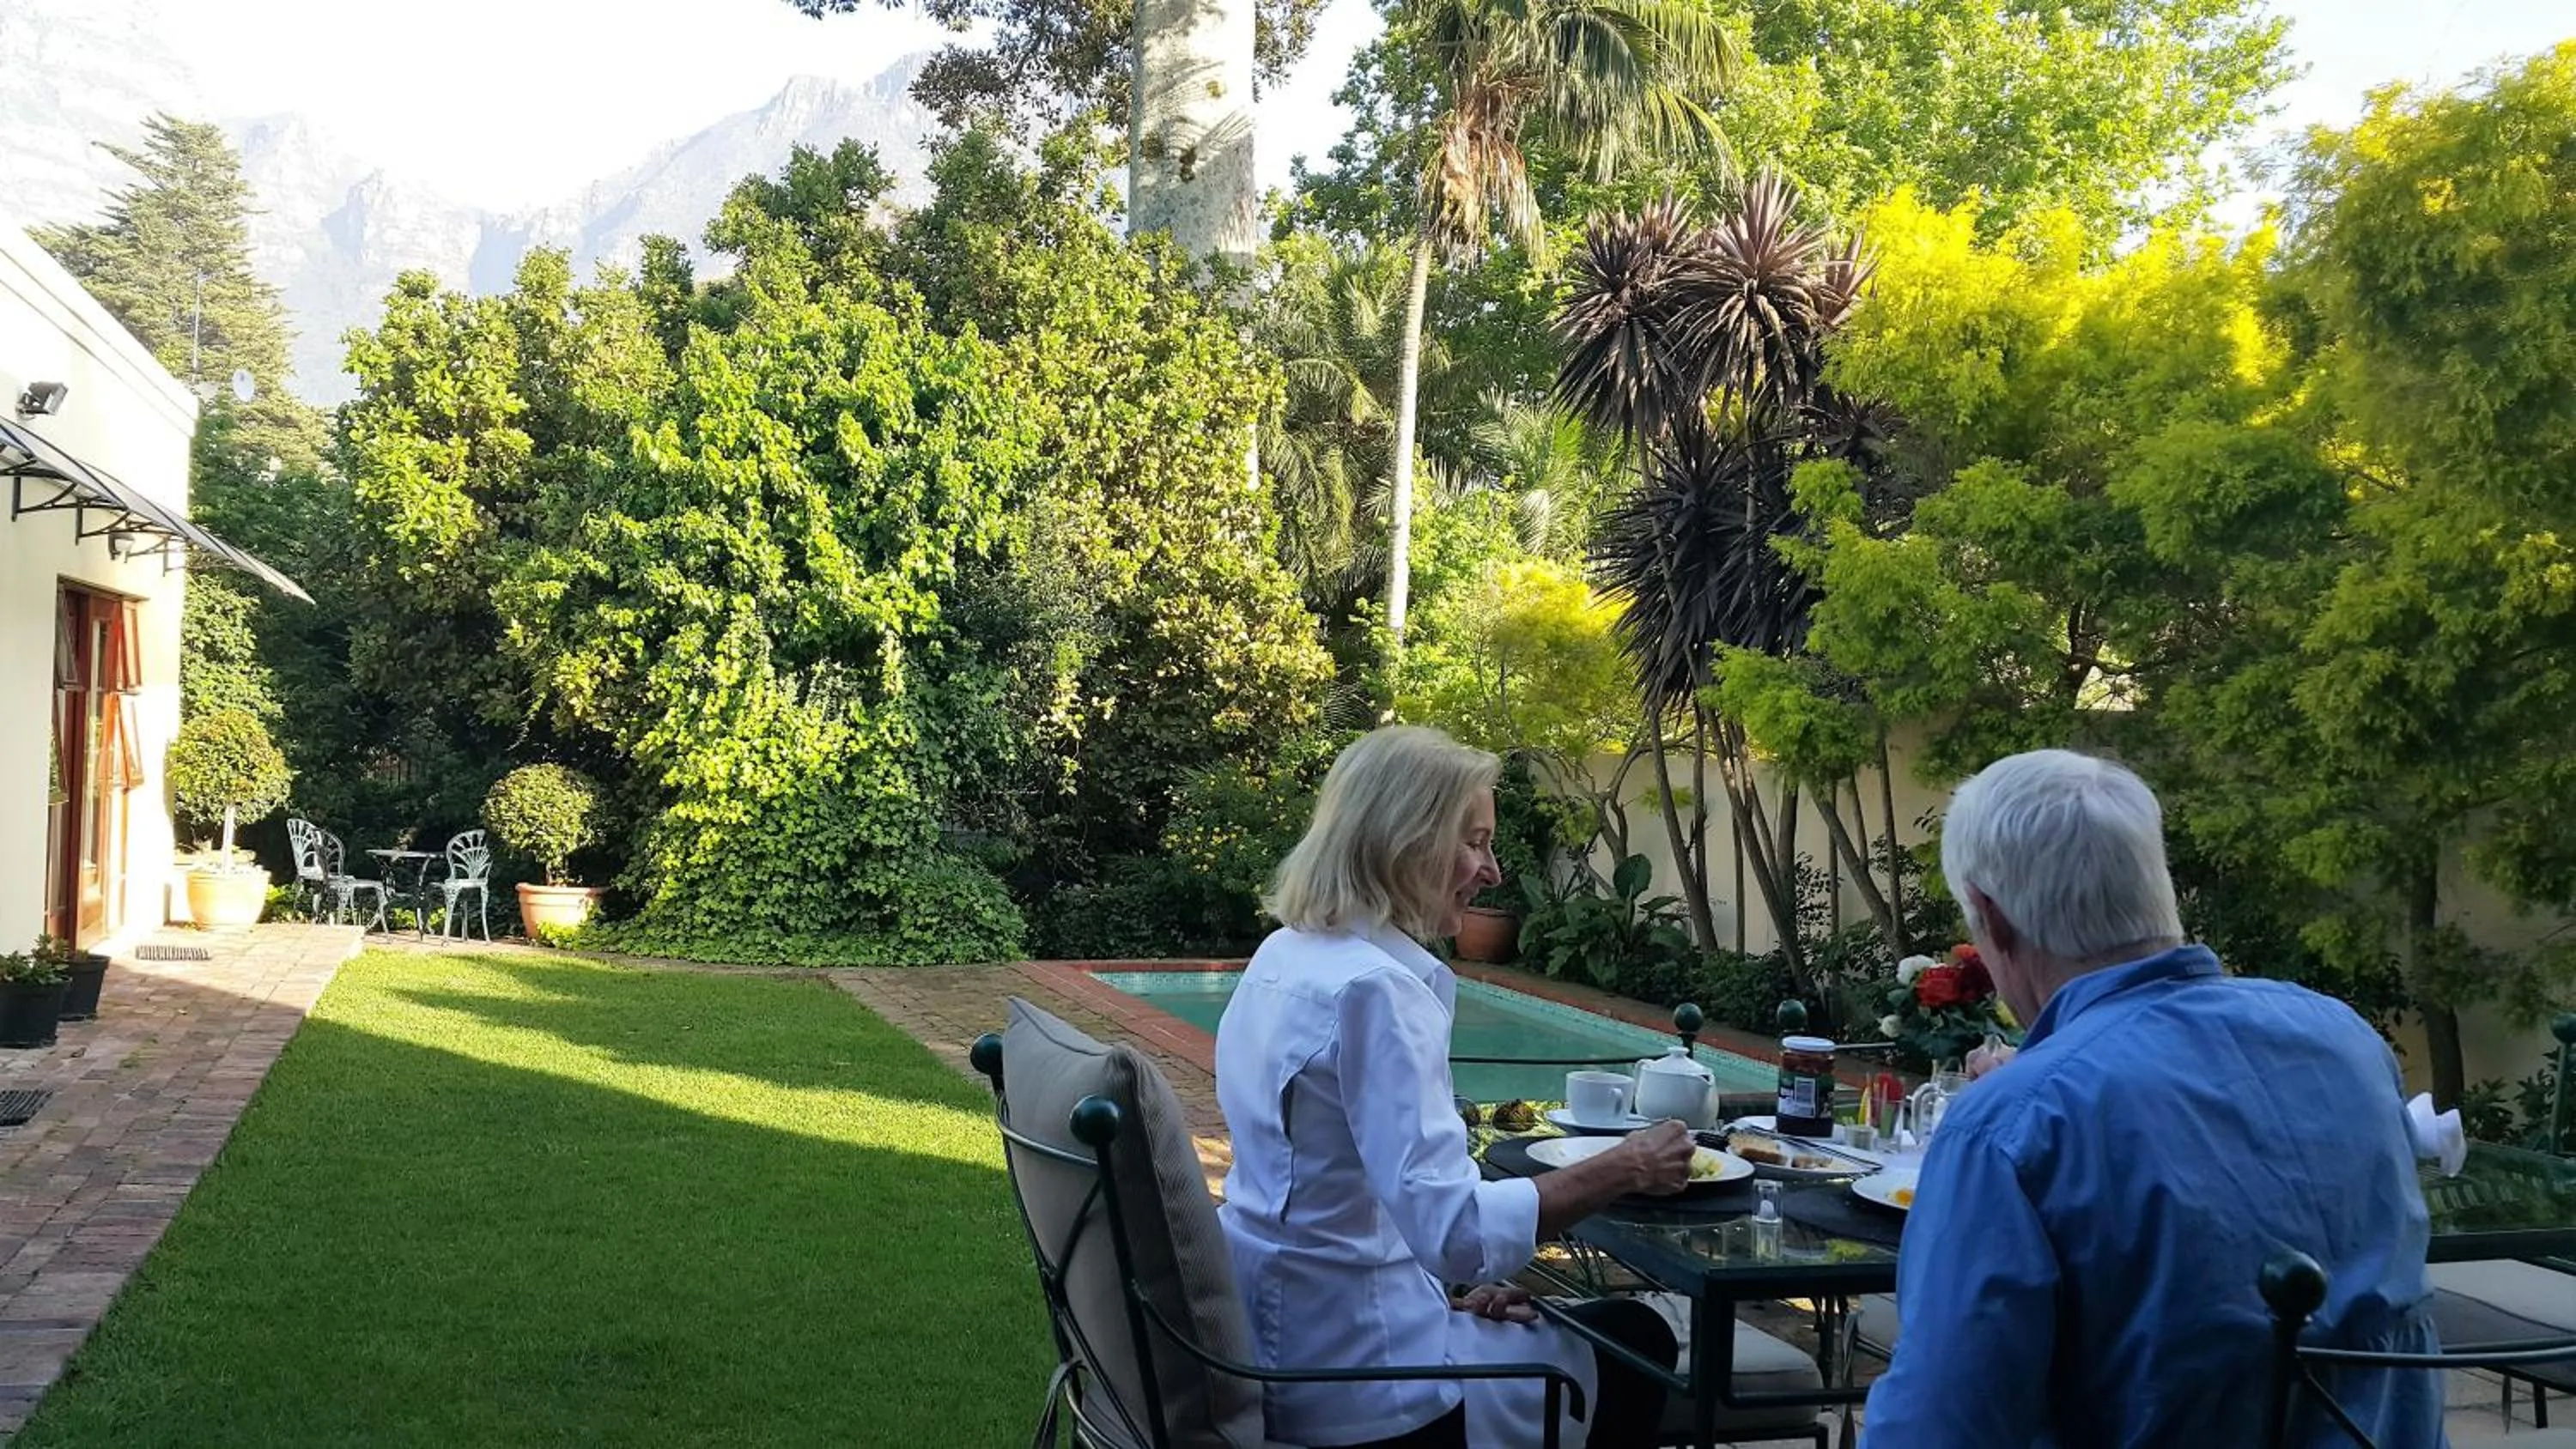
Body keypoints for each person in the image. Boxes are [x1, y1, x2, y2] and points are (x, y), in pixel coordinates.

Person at [1862, 749, 2444, 1447]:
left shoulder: (2014, 1126)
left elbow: (1939, 1431)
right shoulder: (2345, 1041)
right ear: (2151, 885)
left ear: (1993, 917)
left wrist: (2026, 1096)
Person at [1215, 725, 1697, 1449]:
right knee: (1636, 1338)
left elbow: (1332, 1197)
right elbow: (1457, 1234)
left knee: (1611, 1328)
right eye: (1475, 843)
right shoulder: (1376, 991)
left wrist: (1449, 1292)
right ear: (1406, 840)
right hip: (1372, 1382)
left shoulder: (1285, 957)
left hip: (1282, 1339)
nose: (1492, 872)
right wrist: (1626, 1165)